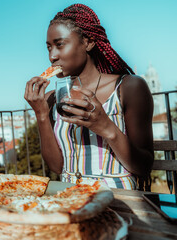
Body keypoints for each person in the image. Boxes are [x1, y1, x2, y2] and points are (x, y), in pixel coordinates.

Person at [24, 4, 154, 190]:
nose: (52, 56)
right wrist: (42, 115)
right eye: (49, 47)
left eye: (59, 44)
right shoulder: (52, 98)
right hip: (69, 196)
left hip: (120, 198)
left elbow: (144, 167)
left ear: (88, 42)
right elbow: (57, 167)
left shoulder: (129, 87)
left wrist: (105, 126)